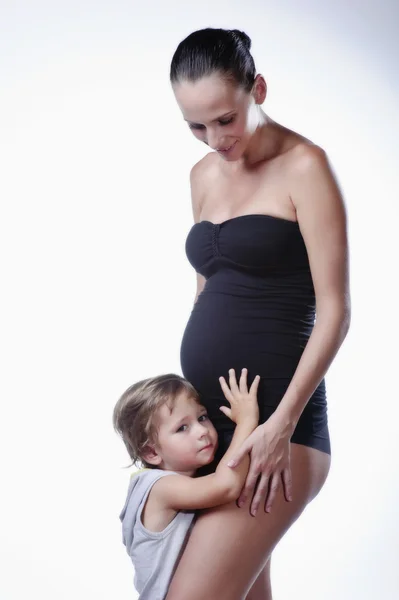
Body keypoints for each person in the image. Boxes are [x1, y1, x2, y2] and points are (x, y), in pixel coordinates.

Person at [164, 28, 351, 600]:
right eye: (196, 126)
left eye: (225, 119)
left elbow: (336, 310)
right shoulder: (201, 176)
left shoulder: (305, 166)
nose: (214, 138)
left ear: (258, 89)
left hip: (276, 432)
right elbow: (206, 295)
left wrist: (279, 425)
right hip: (213, 431)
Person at [113, 369, 260, 599]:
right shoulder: (160, 488)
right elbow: (225, 486)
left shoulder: (177, 484)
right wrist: (247, 422)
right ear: (151, 452)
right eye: (182, 428)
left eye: (202, 417)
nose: (202, 431)